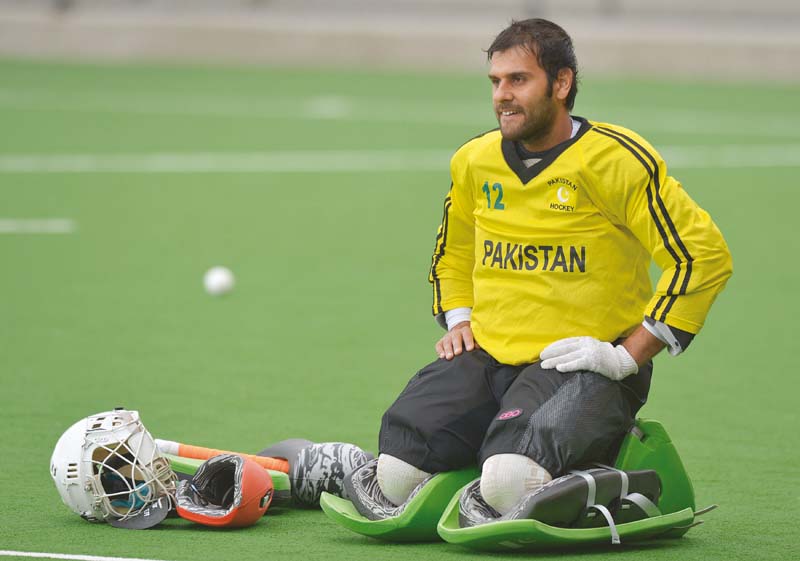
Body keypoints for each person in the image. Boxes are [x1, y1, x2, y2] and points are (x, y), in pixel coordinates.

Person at [375, 18, 733, 515]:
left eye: (518, 80)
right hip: (489, 355)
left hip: (582, 363)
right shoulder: (475, 160)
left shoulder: (617, 160)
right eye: (495, 82)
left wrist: (626, 357)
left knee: (507, 484)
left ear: (561, 84)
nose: (502, 95)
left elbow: (703, 256)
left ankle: (624, 472)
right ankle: (496, 453)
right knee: (395, 474)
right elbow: (452, 252)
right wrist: (458, 318)